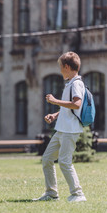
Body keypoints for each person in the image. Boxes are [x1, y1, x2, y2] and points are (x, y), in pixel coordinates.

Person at [34, 51, 87, 202]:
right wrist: (55, 115)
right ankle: (51, 193)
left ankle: (78, 194)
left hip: (70, 130)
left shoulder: (77, 83)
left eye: (60, 67)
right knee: (47, 159)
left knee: (64, 161)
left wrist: (55, 101)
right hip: (62, 129)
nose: (59, 70)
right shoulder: (70, 83)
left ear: (66, 67)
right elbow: (68, 107)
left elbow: (77, 104)